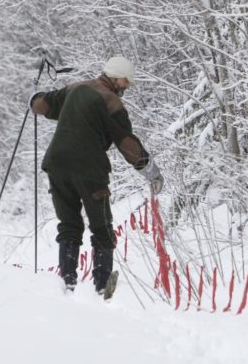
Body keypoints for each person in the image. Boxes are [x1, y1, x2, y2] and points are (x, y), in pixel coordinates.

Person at [30, 56, 164, 297]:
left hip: (57, 164)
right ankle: (102, 287)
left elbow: (42, 105)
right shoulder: (112, 103)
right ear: (115, 76)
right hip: (90, 169)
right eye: (126, 80)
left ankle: (67, 282)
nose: (127, 86)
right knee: (101, 227)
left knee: (69, 225)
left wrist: (34, 98)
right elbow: (126, 143)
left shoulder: (76, 88)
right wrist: (150, 171)